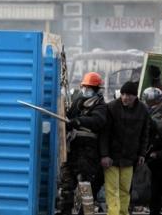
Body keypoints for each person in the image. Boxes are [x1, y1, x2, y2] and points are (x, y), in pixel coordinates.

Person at [58, 72, 107, 215]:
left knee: (85, 185)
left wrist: (79, 121)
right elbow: (68, 118)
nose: (86, 90)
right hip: (72, 150)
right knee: (67, 184)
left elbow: (97, 121)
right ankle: (65, 211)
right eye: (85, 87)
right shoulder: (77, 102)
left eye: (90, 87)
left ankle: (87, 212)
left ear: (97, 89)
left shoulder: (101, 106)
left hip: (88, 153)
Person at [99, 81, 149, 215]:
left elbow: (145, 134)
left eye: (129, 95)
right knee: (112, 189)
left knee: (125, 190)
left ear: (135, 96)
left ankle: (123, 213)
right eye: (123, 94)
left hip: (129, 158)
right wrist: (104, 155)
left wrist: (142, 154)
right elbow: (104, 134)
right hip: (112, 158)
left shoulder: (143, 110)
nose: (125, 97)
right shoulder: (112, 107)